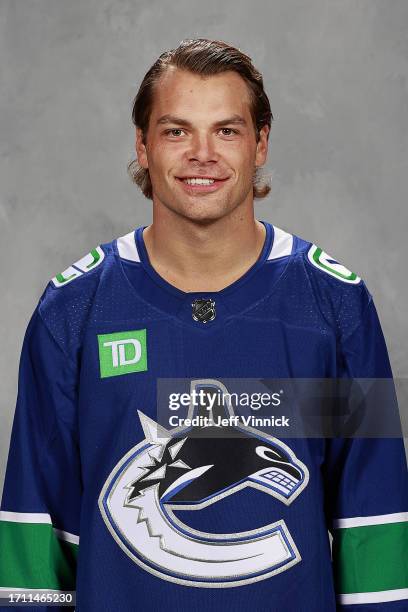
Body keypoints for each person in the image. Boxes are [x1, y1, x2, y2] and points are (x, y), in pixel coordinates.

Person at [0, 38, 407, 611]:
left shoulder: (335, 307)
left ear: (261, 142)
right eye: (175, 131)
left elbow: (374, 526)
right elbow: (36, 536)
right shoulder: (74, 310)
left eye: (226, 130)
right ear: (142, 145)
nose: (201, 154)